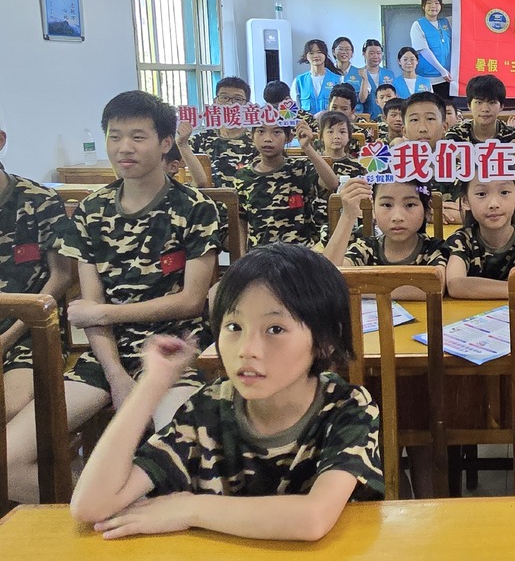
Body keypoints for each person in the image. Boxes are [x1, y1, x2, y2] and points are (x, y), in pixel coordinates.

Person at [69, 243, 383, 540]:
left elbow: (313, 518)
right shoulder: (207, 409)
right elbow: (91, 506)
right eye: (234, 327)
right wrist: (152, 386)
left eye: (275, 329)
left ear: (325, 341)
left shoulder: (347, 408)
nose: (247, 349)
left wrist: (190, 509)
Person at [6, 91, 219, 504]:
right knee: (9, 460)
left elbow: (191, 301)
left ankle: (133, 508)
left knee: (187, 462)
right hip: (106, 357)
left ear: (165, 143)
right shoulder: (91, 210)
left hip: (176, 352)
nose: (124, 148)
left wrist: (103, 313)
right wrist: (117, 376)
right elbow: (90, 310)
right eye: (115, 136)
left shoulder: (195, 208)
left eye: (138, 137)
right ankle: (109, 506)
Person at [0, 122, 76, 436]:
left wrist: (7, 338)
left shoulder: (38, 200)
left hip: (30, 332)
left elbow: (61, 276)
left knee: (9, 408)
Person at [324, 179, 446, 298]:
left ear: (426, 210)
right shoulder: (366, 248)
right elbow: (326, 278)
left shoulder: (435, 250)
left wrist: (356, 288)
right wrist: (348, 215)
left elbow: (436, 287)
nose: (397, 217)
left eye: (410, 205)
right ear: (373, 208)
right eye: (387, 205)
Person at [444, 171, 515, 299]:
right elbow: (456, 284)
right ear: (465, 201)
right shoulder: (462, 239)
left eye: (504, 192)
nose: (494, 204)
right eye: (481, 194)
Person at [231, 119, 339, 249]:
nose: (268, 139)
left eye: (276, 132)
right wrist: (242, 255)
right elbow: (241, 220)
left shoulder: (300, 168)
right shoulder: (243, 176)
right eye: (261, 131)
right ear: (251, 136)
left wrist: (307, 148)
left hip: (299, 252)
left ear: (289, 137)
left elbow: (332, 184)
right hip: (260, 254)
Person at [178, 77, 258, 188]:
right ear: (215, 102)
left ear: (247, 105)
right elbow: (175, 164)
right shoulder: (201, 139)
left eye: (238, 99)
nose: (230, 104)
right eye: (224, 98)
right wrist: (181, 143)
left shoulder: (256, 142)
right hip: (207, 198)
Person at [311, 110, 366, 242]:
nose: (336, 136)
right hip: (316, 223)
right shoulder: (311, 164)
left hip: (350, 223)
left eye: (342, 132)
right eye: (330, 132)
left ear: (349, 136)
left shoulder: (359, 166)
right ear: (320, 136)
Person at [448, 75, 515, 151]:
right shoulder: (456, 134)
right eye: (479, 102)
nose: (485, 109)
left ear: (501, 106)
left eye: (492, 102)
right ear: (469, 105)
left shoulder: (513, 136)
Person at [410, 0, 453, 99]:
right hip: (428, 79)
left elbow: (465, 13)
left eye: (436, 3)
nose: (433, 6)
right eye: (429, 3)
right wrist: (442, 70)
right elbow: (424, 51)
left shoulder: (446, 22)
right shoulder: (418, 25)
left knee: (446, 107)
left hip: (447, 79)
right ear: (423, 6)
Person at [292, 39, 342, 115]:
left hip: (330, 121)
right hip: (306, 122)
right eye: (311, 53)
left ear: (325, 55)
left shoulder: (338, 80)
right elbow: (295, 109)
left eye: (319, 52)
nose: (315, 56)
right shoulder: (299, 81)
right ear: (306, 56)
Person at [356, 39, 397, 119]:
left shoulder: (389, 74)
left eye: (379, 53)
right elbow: (362, 99)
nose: (376, 56)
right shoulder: (358, 73)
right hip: (367, 118)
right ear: (364, 54)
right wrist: (364, 79)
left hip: (388, 116)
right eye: (371, 53)